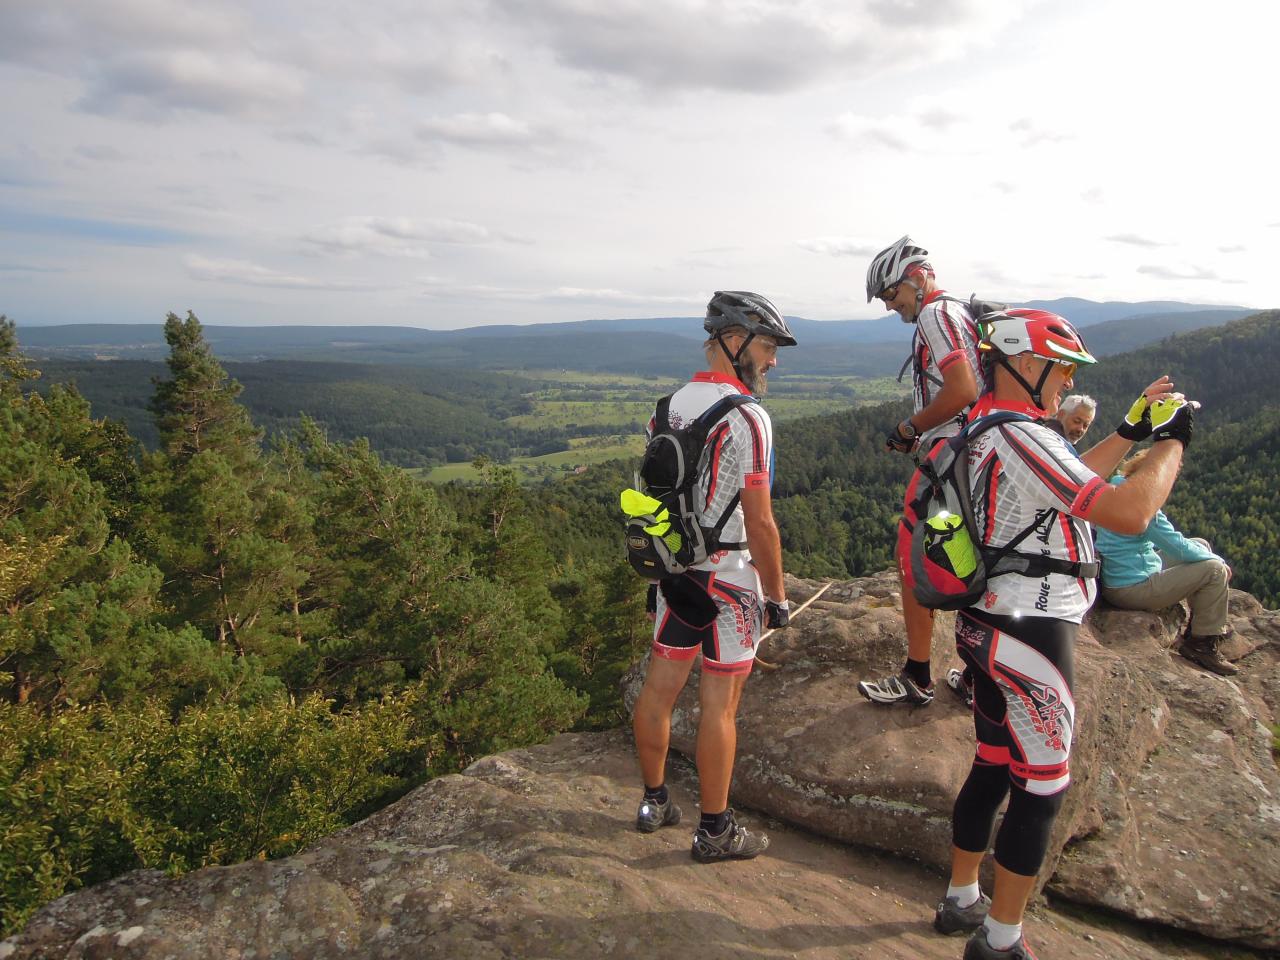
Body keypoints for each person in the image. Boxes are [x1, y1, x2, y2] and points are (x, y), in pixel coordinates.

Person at [932, 308, 1195, 959]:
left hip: (986, 623)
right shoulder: (1025, 433)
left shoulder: (991, 427)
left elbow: (1069, 477)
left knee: (993, 764)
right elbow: (1131, 511)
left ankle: (962, 899)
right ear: (1026, 363)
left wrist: (1129, 431)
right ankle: (1002, 940)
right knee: (1043, 786)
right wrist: (1171, 445)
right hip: (1032, 632)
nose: (1067, 380)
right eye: (1063, 368)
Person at [631, 290, 794, 863]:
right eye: (769, 346)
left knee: (660, 692)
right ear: (735, 341)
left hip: (675, 577)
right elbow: (762, 521)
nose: (774, 360)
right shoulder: (750, 417)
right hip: (729, 578)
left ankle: (654, 802)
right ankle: (715, 830)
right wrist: (777, 596)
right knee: (719, 706)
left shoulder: (668, 404)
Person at [858, 236, 984, 707]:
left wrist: (911, 425)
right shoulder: (957, 312)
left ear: (916, 278)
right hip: (974, 449)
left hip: (952, 452)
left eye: (892, 294)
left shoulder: (934, 315)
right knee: (970, 554)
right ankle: (977, 675)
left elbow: (962, 389)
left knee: (914, 553)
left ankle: (917, 675)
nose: (892, 306)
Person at [1096, 450, 1238, 675]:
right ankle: (1200, 645)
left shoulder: (1119, 487)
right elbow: (1175, 545)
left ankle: (1203, 621)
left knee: (1200, 544)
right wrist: (1217, 560)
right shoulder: (1142, 502)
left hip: (1123, 573)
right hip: (1131, 588)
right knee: (1214, 570)